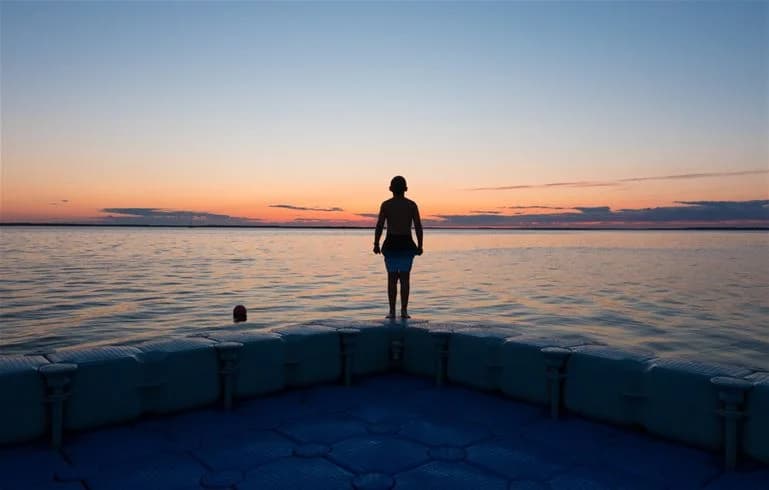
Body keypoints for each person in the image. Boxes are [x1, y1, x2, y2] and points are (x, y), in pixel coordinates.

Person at [373, 176, 423, 319]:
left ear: (391, 189)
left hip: (392, 244)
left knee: (392, 279)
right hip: (406, 244)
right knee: (405, 279)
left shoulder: (386, 205)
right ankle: (404, 311)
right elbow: (418, 227)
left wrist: (376, 243)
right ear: (405, 189)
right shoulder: (412, 205)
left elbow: (379, 225)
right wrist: (420, 245)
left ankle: (392, 311)